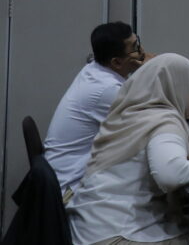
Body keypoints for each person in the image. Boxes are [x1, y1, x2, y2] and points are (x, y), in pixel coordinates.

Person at [67, 53, 189, 245]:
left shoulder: (130, 113)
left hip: (88, 226)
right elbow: (170, 176)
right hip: (118, 235)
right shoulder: (164, 122)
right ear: (177, 88)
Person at [45, 22, 149, 193]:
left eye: (138, 42)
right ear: (116, 62)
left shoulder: (94, 70)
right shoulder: (107, 89)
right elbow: (147, 130)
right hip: (72, 187)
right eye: (135, 48)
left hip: (70, 171)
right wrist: (152, 71)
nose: (142, 52)